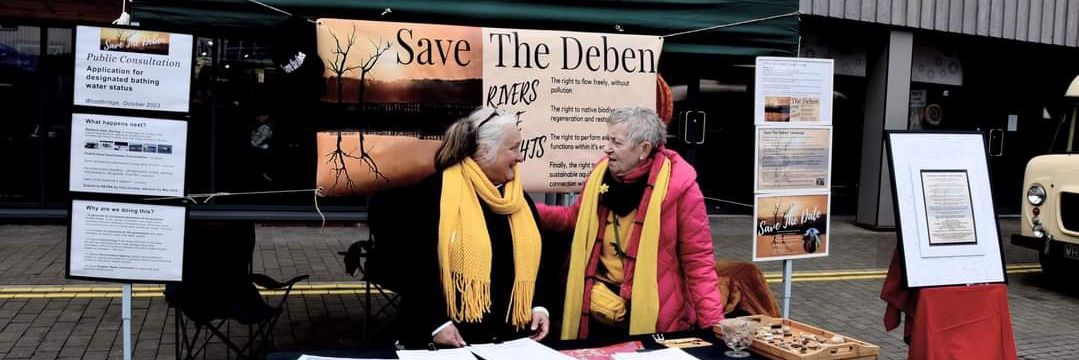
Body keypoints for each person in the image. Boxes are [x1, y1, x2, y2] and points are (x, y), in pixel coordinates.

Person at [368, 107, 549, 349]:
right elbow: (411, 266)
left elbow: (539, 260)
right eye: (513, 148)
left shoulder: (519, 200)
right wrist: (436, 323)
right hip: (447, 342)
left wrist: (539, 306)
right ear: (485, 151)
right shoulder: (433, 195)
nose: (520, 157)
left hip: (507, 342)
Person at [537, 107, 724, 340]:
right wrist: (528, 210)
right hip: (597, 310)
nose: (607, 148)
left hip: (655, 317)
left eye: (616, 142)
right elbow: (574, 218)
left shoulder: (680, 187)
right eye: (607, 139)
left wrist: (714, 329)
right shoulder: (600, 175)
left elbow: (699, 263)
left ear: (644, 149)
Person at [249, 109, 274, 183]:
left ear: (266, 116)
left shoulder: (265, 127)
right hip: (261, 154)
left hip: (263, 154)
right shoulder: (260, 126)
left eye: (260, 116)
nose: (258, 118)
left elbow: (256, 143)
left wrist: (253, 141)